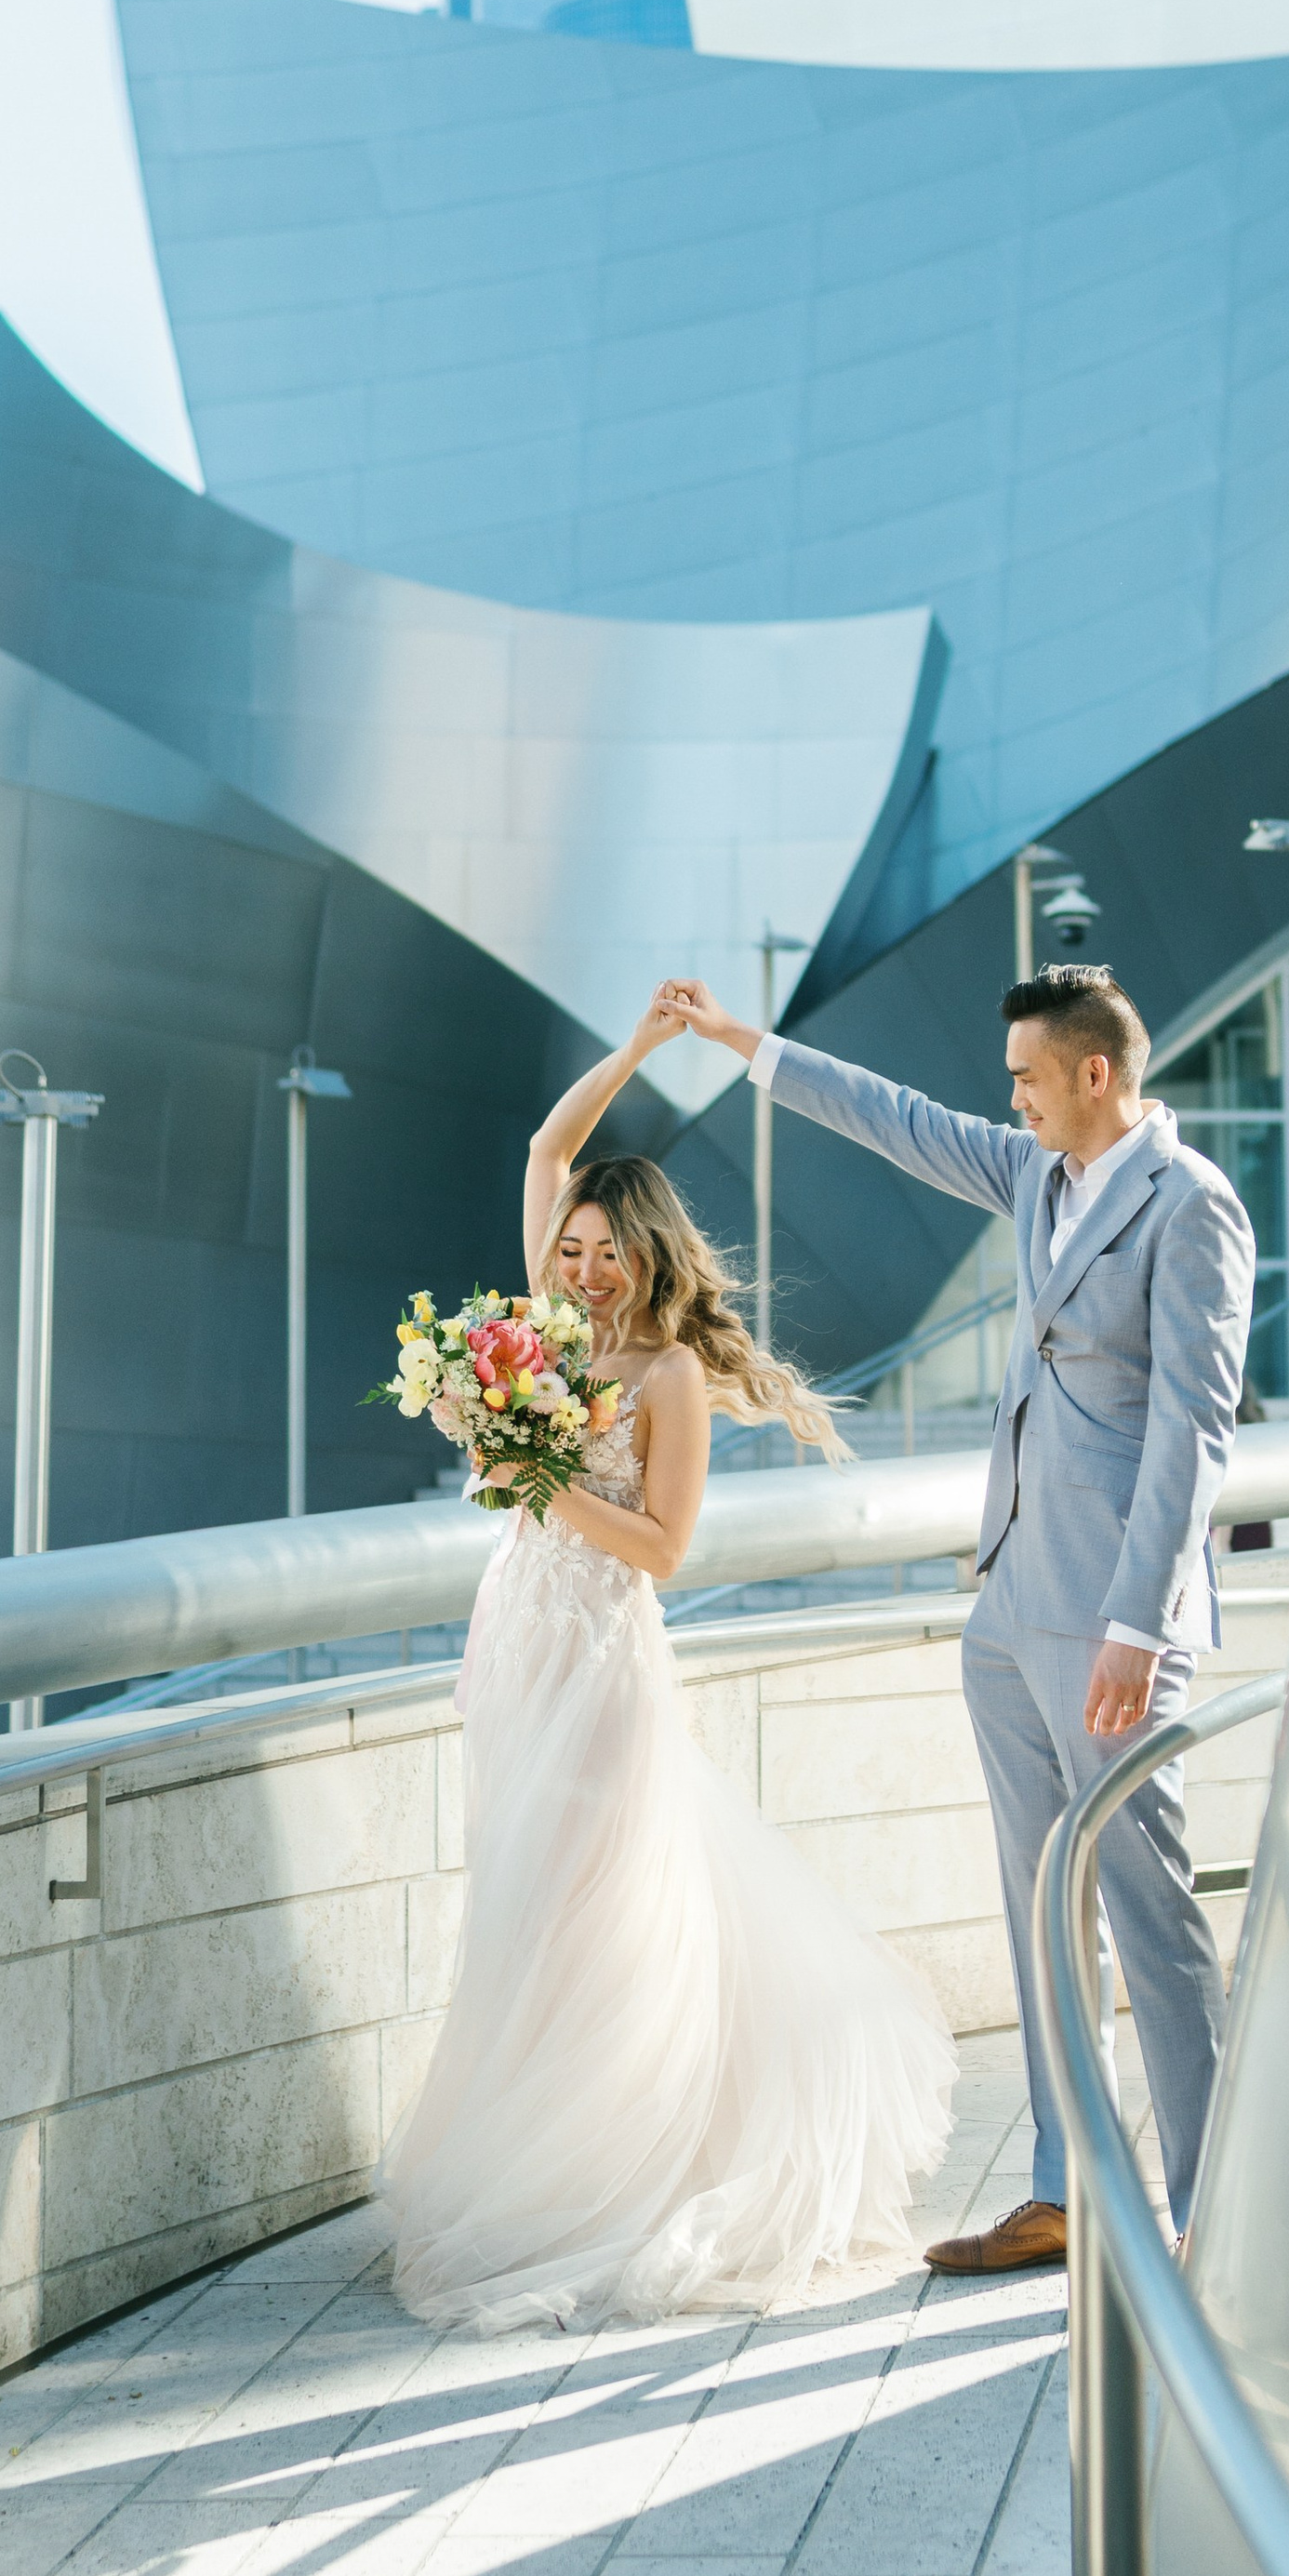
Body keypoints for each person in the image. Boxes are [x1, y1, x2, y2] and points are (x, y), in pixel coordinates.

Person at [657, 963, 1253, 2271]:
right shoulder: (1037, 1175)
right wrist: (739, 1043)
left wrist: (1139, 1626)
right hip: (1011, 1604)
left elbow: (1192, 1431)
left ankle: (1220, 2209)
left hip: (1114, 1617)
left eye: (1031, 1077)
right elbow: (894, 1117)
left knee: (1152, 1919)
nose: (1015, 1100)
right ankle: (1070, 2189)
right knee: (1047, 1916)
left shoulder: (1190, 1205)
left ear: (1097, 1073)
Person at [383, 999, 956, 2331]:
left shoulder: (667, 1377)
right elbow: (544, 1146)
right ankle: (533, 2156)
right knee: (521, 1900)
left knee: (596, 1903)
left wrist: (530, 1472)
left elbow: (662, 1546)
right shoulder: (540, 1333)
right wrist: (640, 1054)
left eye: (601, 1252)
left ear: (646, 1259)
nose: (578, 1269)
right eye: (569, 1248)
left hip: (603, 1658)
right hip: (521, 1642)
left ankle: (615, 2175)